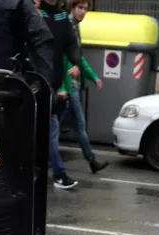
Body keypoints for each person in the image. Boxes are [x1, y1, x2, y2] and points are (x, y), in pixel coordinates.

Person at [39, 0, 83, 189]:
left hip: (53, 84)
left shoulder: (61, 16)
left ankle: (58, 173)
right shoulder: (34, 13)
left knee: (51, 129)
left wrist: (76, 63)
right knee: (47, 130)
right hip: (35, 81)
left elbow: (71, 44)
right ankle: (57, 173)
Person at [60, 0, 108, 174]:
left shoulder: (75, 28)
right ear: (72, 8)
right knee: (78, 124)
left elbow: (78, 58)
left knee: (55, 126)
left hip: (72, 84)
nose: (83, 12)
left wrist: (93, 76)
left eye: (86, 9)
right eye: (80, 8)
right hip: (68, 84)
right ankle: (91, 160)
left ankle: (49, 159)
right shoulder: (67, 26)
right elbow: (63, 56)